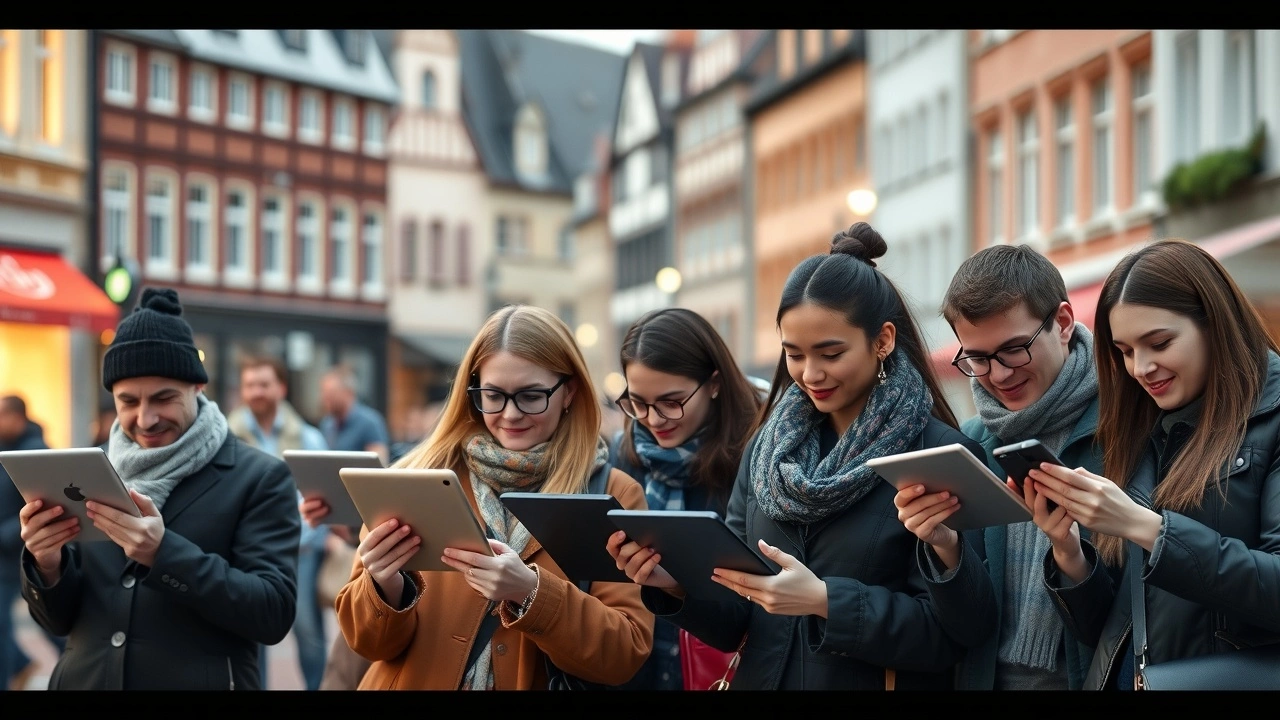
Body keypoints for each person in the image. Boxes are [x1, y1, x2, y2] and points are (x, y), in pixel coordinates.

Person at [607, 222, 997, 689]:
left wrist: (826, 601)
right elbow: (737, 618)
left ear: (883, 340)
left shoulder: (938, 455)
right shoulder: (766, 449)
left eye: (830, 354)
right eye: (794, 354)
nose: (810, 374)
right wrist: (674, 584)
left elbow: (957, 636)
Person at [309, 304, 654, 689]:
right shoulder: (417, 475)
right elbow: (367, 643)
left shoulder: (612, 493)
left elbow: (624, 654)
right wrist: (384, 584)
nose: (510, 414)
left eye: (531, 396)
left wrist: (531, 591)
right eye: (493, 395)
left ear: (569, 391)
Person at [1027, 239, 1280, 690]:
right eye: (1125, 351)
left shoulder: (1272, 418)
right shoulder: (1143, 426)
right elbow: (1109, 631)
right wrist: (1068, 551)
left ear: (1215, 323)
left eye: (1159, 343)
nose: (1141, 368)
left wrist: (1146, 527)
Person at [17, 287, 299, 690]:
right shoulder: (87, 469)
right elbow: (59, 622)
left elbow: (272, 613)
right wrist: (47, 563)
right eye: (128, 401)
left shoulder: (260, 476)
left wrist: (163, 554)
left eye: (164, 398)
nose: (146, 419)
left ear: (197, 387)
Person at [893, 243, 1103, 690]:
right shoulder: (969, 442)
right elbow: (970, 629)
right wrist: (945, 548)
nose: (1000, 374)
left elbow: (1126, 618)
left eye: (1014, 349)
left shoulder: (1125, 426)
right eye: (978, 358)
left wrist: (1071, 557)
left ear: (1063, 323)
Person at [606, 308, 764, 690]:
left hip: (724, 669)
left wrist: (678, 583)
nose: (653, 419)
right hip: (639, 669)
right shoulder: (622, 455)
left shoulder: (755, 460)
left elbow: (753, 604)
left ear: (714, 383)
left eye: (671, 401)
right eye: (637, 402)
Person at [227, 355, 330, 691]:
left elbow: (326, 495)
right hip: (246, 553)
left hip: (301, 551)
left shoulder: (309, 439)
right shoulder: (227, 438)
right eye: (250, 385)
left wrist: (311, 536)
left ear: (281, 388)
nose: (256, 391)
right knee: (250, 632)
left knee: (308, 631)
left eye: (264, 384)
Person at [313, 363, 390, 689]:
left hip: (363, 531)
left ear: (348, 392)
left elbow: (379, 470)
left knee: (359, 621)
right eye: (323, 393)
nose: (325, 399)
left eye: (331, 393)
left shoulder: (369, 422)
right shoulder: (327, 425)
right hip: (334, 527)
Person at [0, 395, 52, 690]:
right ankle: (21, 665)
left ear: (17, 417)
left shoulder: (34, 452)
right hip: (6, 553)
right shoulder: (6, 448)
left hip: (18, 551)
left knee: (51, 620)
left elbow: (42, 505)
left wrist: (5, 535)